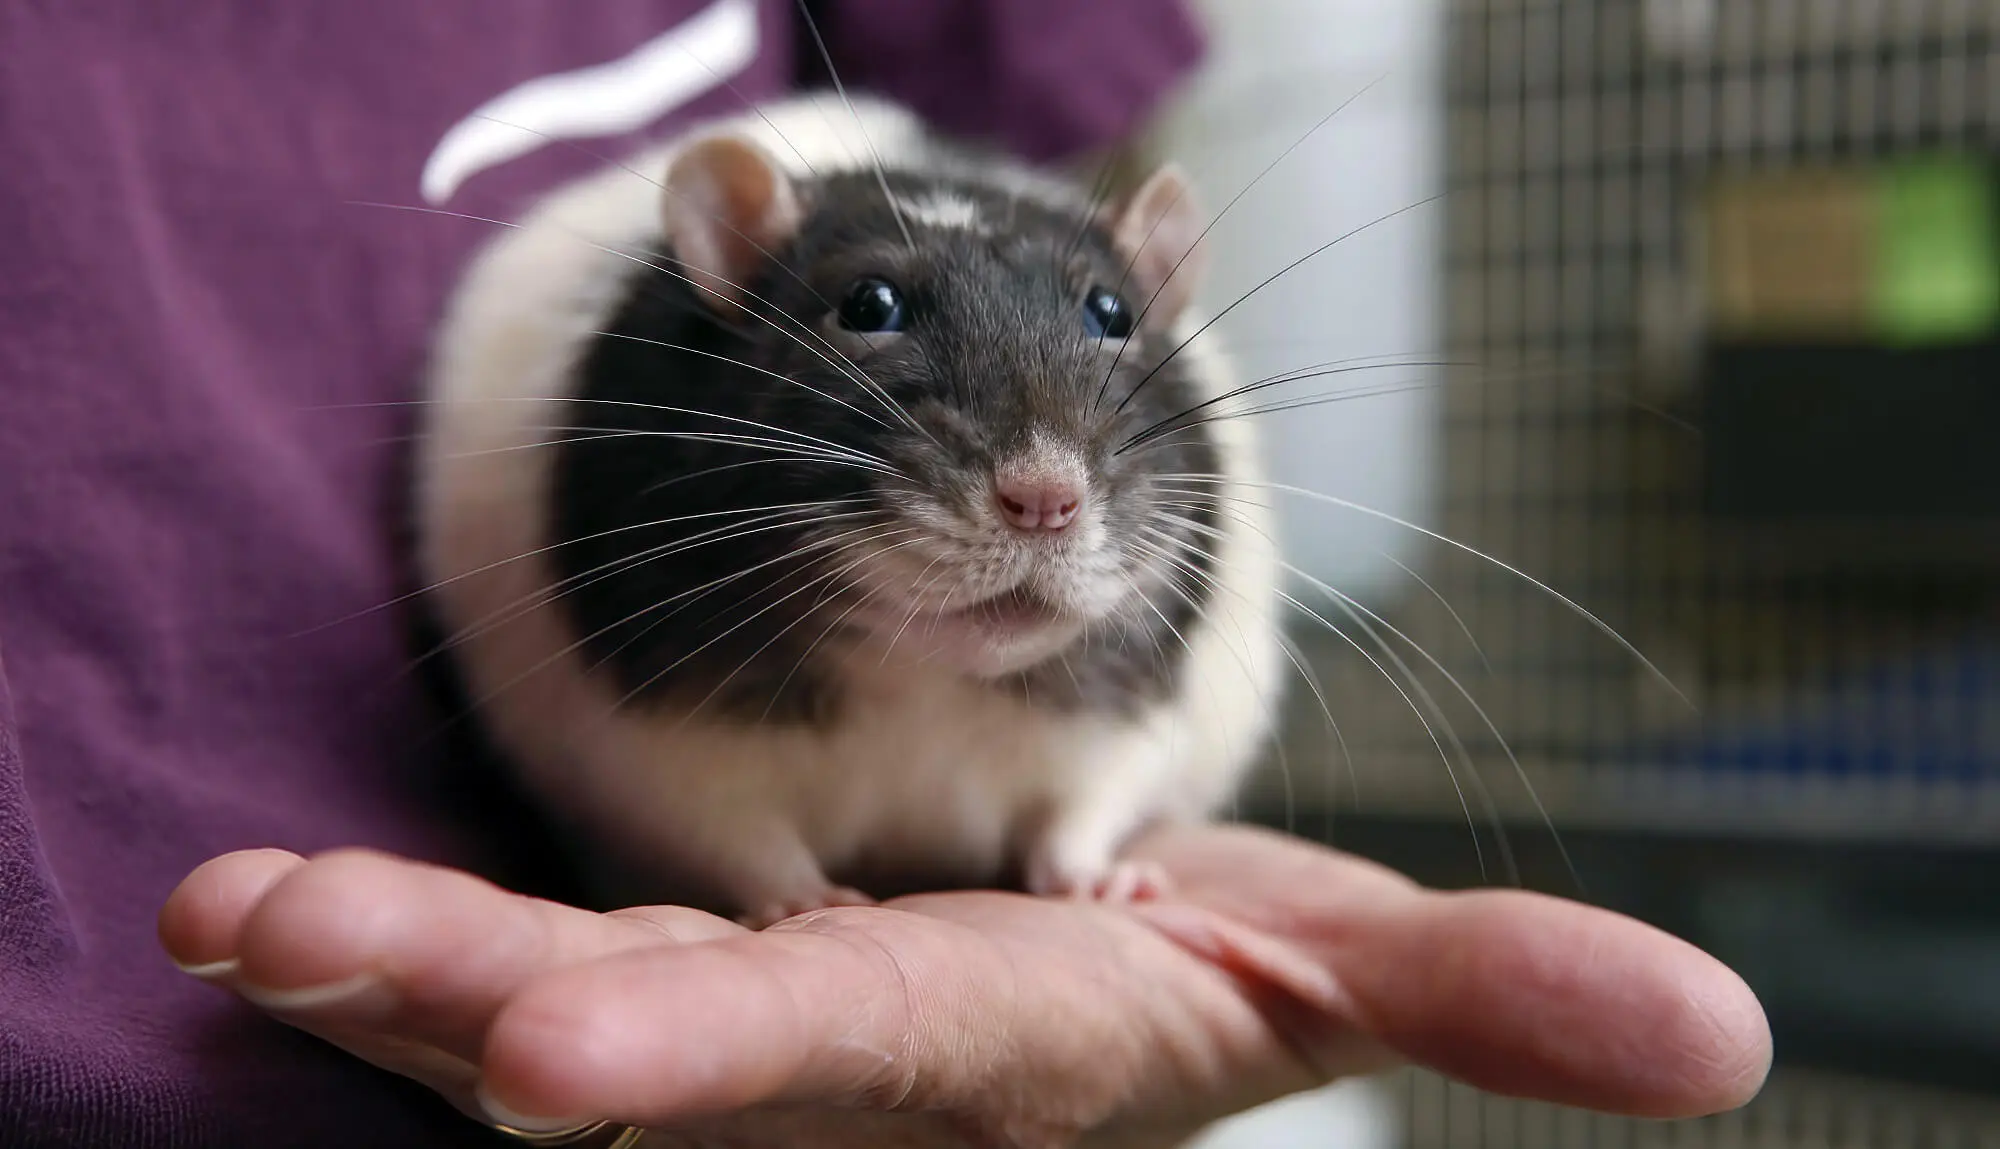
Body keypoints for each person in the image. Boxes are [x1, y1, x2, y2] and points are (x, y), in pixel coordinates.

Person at [0, 3, 1772, 1146]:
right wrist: (746, 865)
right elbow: (589, 676)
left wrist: (1089, 829)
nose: (1042, 488)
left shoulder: (1142, 446)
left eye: (1115, 323)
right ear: (728, 273)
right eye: (865, 315)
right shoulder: (624, 457)